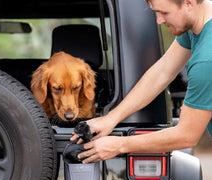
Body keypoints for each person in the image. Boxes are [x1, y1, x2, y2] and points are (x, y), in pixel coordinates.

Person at [71, 0, 212, 164]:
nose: (159, 20)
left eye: (164, 13)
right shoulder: (196, 23)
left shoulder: (206, 61)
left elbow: (186, 135)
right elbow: (162, 72)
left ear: (189, 3)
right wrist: (111, 118)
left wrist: (120, 145)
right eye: (156, 12)